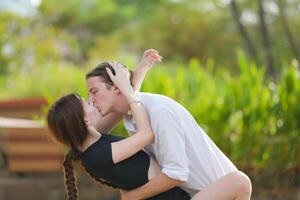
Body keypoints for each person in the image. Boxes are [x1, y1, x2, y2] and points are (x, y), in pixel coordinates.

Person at [87, 61, 252, 200]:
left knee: (240, 180)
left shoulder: (159, 112)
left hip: (219, 192)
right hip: (191, 195)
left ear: (116, 87)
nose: (91, 100)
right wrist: (137, 75)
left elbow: (177, 174)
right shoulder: (130, 115)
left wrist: (133, 196)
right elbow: (89, 132)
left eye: (94, 92)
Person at [47, 49, 191, 200]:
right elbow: (146, 134)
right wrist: (127, 89)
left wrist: (141, 69)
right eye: (86, 102)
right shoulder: (97, 155)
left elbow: (120, 105)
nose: (92, 101)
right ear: (85, 120)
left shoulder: (93, 143)